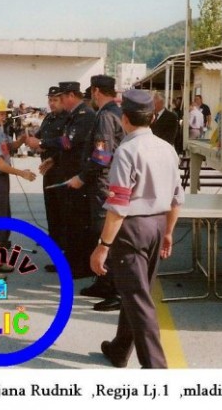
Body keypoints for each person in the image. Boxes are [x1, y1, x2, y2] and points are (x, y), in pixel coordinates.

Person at [90, 89, 183, 369]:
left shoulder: (126, 151)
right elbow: (177, 196)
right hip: (157, 224)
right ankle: (119, 349)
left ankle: (156, 368)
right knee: (137, 292)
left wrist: (102, 246)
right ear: (153, 118)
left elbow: (118, 204)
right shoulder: (167, 148)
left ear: (124, 119)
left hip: (132, 228)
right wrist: (168, 232)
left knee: (139, 300)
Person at [67, 75, 125, 312]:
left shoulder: (105, 116)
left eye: (91, 92)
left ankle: (114, 290)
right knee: (98, 233)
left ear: (97, 91)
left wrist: (82, 177)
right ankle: (102, 282)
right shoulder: (116, 112)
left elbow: (102, 156)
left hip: (103, 184)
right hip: (105, 182)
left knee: (105, 236)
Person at [0, 93, 36, 281]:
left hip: (0, 181)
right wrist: (22, 173)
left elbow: (6, 148)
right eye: (2, 113)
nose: (5, 117)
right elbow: (1, 165)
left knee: (4, 221)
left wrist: (20, 141)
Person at [40, 81, 96, 279]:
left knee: (78, 223)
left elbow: (69, 141)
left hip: (78, 176)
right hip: (66, 173)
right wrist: (53, 159)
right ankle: (70, 262)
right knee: (67, 221)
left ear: (71, 95)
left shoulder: (84, 115)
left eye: (61, 97)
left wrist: (41, 143)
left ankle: (81, 266)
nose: (59, 102)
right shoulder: (74, 115)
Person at [26, 86, 68, 252]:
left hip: (62, 169)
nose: (51, 103)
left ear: (62, 100)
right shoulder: (49, 118)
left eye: (55, 100)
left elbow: (68, 145)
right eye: (50, 100)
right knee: (51, 208)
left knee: (63, 211)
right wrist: (31, 140)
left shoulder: (68, 119)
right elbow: (39, 137)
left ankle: (64, 248)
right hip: (48, 170)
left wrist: (52, 156)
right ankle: (54, 242)